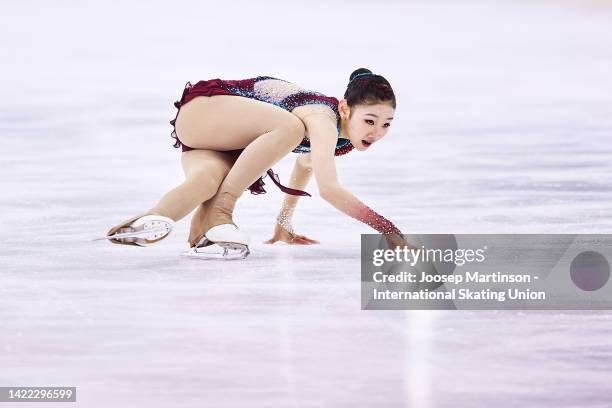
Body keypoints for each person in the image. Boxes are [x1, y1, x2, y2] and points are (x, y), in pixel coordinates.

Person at [106, 68, 408, 258]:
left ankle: (148, 222)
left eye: (386, 125)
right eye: (370, 120)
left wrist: (284, 225)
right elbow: (329, 189)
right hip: (206, 110)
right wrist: (388, 230)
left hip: (214, 137)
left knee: (206, 182)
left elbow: (304, 166)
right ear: (345, 108)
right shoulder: (322, 118)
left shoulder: (338, 137)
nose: (376, 132)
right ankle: (220, 214)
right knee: (290, 128)